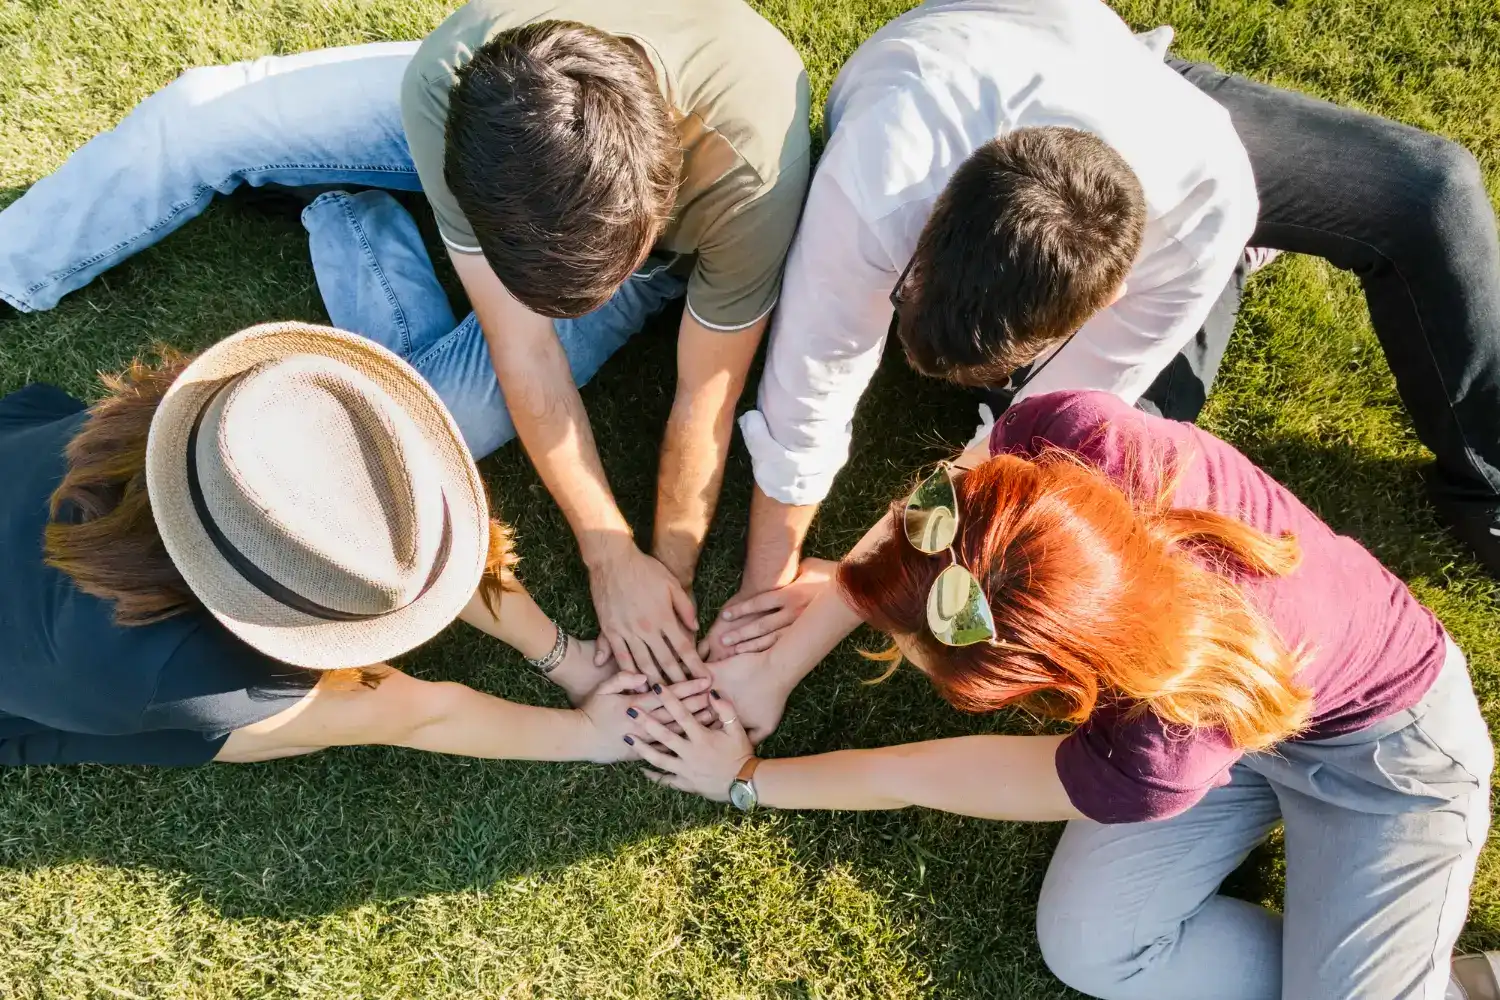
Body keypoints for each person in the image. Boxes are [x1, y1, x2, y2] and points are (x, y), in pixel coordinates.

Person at [0, 0, 813, 684]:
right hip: (512, 133)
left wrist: (650, 569)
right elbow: (521, 348)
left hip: (631, 209)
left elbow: (705, 399)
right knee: (191, 120)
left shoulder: (751, 181)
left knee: (426, 435)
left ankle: (346, 210)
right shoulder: (458, 79)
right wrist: (605, 560)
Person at [704, 0, 1500, 660]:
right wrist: (764, 592)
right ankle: (1229, 273)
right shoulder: (879, 180)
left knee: (1431, 191)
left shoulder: (1199, 208)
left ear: (1114, 291)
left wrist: (851, 585)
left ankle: (1487, 485)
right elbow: (813, 383)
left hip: (1167, 128)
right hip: (996, 64)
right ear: (935, 222)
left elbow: (1033, 431)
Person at [639, 389, 1497, 999]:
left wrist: (747, 779)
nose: (887, 644)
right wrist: (843, 602)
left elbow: (921, 775)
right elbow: (948, 500)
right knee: (1092, 952)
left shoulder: (1152, 756)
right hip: (1230, 711)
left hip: (1383, 762)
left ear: (1045, 682)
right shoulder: (1072, 434)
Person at [0, 321, 709, 766]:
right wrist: (590, 735)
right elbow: (409, 711)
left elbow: (425, 545)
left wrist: (567, 657)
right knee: (244, 731)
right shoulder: (190, 673)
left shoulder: (236, 420)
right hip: (45, 683)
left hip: (26, 460)